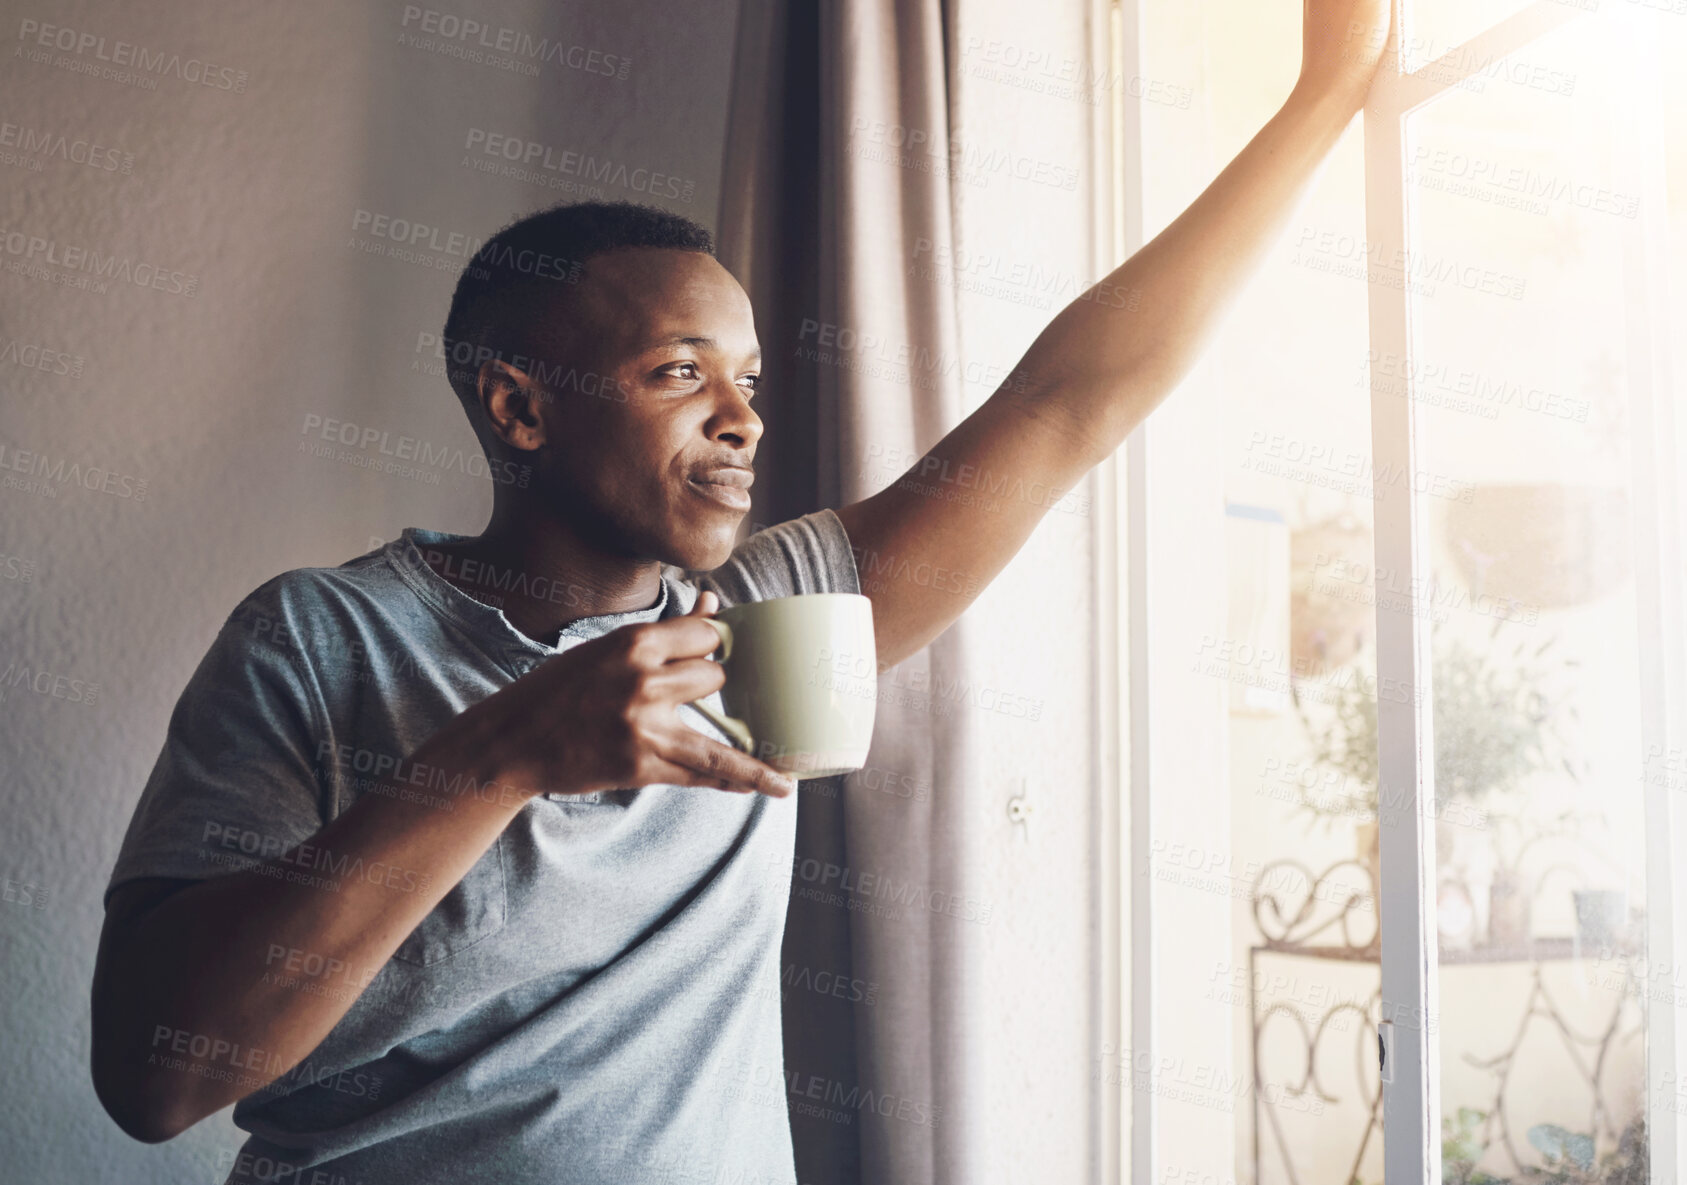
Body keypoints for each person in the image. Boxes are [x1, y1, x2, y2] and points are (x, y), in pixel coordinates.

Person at [90, 3, 1391, 1180]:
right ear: (520, 407)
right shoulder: (317, 641)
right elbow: (155, 1080)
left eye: (752, 380)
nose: (743, 421)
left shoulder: (764, 630)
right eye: (679, 373)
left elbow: (1064, 407)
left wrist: (1324, 96)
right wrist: (507, 751)